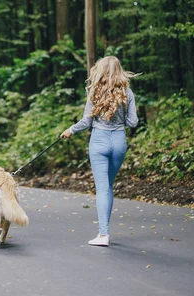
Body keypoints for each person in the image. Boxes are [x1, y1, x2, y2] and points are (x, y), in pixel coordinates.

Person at [60, 56, 139, 247]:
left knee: (103, 188)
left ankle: (103, 234)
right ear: (120, 71)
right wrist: (119, 118)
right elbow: (133, 122)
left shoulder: (94, 92)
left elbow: (87, 122)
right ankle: (104, 232)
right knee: (108, 186)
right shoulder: (127, 93)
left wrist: (70, 130)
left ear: (100, 71)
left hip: (99, 142)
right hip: (119, 142)